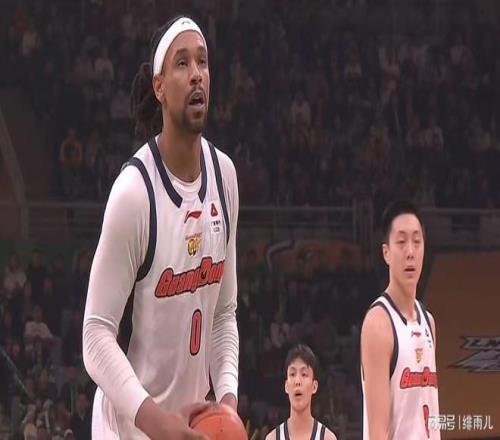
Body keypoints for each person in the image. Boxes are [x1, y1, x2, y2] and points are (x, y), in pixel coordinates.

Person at [83, 15, 240, 440]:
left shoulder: (224, 177)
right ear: (159, 86)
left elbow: (223, 314)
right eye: (182, 63)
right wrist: (157, 425)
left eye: (202, 62)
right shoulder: (134, 193)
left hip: (190, 426)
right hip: (129, 428)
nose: (197, 74)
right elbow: (95, 335)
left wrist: (226, 402)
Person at [361, 201, 440, 439]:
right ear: (386, 252)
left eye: (417, 241)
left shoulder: (428, 322)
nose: (410, 252)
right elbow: (378, 432)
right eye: (402, 241)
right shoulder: (379, 323)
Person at [266, 344, 337, 440]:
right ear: (286, 386)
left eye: (304, 374)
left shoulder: (327, 438)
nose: (297, 381)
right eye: (292, 374)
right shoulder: (273, 438)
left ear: (314, 386)